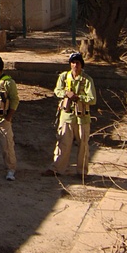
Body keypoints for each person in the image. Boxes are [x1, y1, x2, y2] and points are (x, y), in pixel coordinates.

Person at [48, 51, 96, 179]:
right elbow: (57, 91)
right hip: (67, 115)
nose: (75, 65)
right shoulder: (64, 77)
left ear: (82, 65)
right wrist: (66, 93)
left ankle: (82, 172)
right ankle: (57, 169)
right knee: (63, 143)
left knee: (83, 146)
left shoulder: (87, 80)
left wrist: (78, 97)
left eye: (78, 63)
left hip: (82, 118)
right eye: (73, 63)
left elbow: (92, 99)